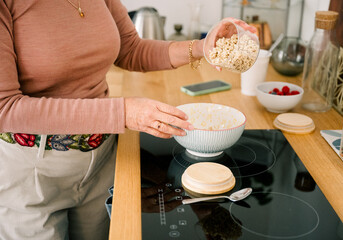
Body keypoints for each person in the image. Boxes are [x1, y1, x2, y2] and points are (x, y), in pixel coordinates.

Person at [0, 1, 256, 239]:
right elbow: (5, 108)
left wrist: (202, 47)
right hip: (33, 177)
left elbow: (131, 49)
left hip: (102, 163)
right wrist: (122, 113)